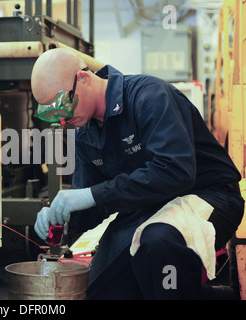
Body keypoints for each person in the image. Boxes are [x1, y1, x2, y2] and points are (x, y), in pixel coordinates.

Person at [31, 48, 245, 299]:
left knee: (156, 244)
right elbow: (96, 205)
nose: (64, 120)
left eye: (65, 106)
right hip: (149, 206)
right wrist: (61, 219)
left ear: (84, 79)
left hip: (207, 195)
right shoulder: (85, 134)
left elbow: (176, 172)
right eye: (53, 115)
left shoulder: (149, 96)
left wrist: (91, 195)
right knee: (101, 288)